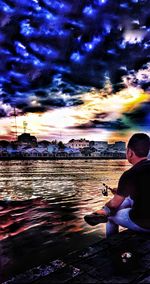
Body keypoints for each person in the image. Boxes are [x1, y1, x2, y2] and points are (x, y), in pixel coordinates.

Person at [84, 133, 150, 237]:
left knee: (111, 216)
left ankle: (111, 242)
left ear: (129, 152)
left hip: (144, 224)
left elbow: (114, 204)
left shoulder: (129, 174)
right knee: (127, 199)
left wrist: (107, 207)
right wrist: (120, 191)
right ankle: (103, 213)